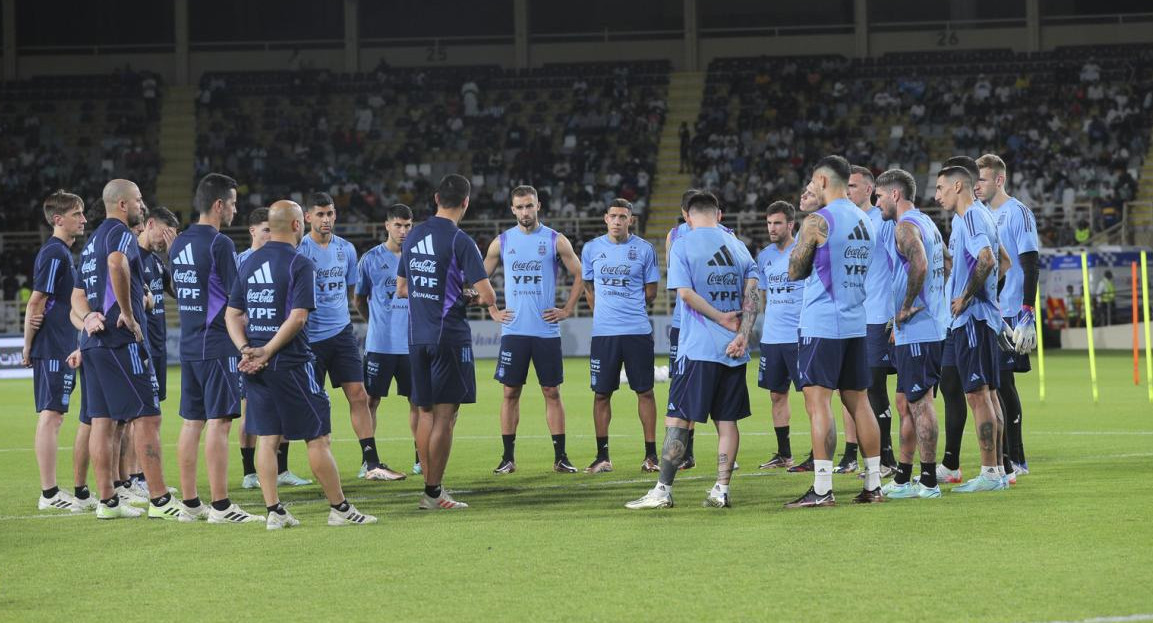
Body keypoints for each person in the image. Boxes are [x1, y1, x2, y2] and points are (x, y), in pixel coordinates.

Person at [225, 200, 376, 529]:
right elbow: (299, 317)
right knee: (317, 438)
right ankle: (340, 509)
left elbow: (232, 314)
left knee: (268, 437)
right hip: (291, 363)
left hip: (257, 365)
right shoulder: (299, 262)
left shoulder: (248, 263)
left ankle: (274, 512)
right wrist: (267, 351)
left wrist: (246, 349)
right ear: (297, 225)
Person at [625, 191, 759, 510]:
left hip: (698, 349)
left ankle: (662, 491)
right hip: (733, 351)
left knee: (678, 419)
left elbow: (685, 294)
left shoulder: (683, 244)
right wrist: (742, 333)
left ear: (687, 215)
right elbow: (752, 296)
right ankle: (721, 490)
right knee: (727, 422)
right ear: (719, 215)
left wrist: (720, 318)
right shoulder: (739, 246)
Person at [78, 179, 183, 520]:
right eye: (138, 200)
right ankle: (160, 500)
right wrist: (126, 312)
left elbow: (77, 293)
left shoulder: (91, 241)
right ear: (123, 204)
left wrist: (87, 317)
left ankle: (107, 501)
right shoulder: (120, 233)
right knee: (148, 416)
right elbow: (117, 263)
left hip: (93, 341)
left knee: (103, 421)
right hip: (120, 339)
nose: (142, 205)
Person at [784, 155, 885, 508]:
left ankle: (823, 489)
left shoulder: (818, 220)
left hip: (822, 322)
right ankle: (873, 485)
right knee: (859, 401)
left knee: (818, 403)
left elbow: (795, 270)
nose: (810, 188)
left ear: (824, 182)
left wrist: (804, 249)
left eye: (813, 181)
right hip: (856, 321)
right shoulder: (865, 220)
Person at [396, 174, 496, 510]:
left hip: (416, 337)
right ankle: (433, 492)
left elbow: (402, 287)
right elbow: (486, 294)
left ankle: (430, 488)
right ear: (466, 202)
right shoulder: (460, 240)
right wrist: (464, 293)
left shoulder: (413, 236)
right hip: (447, 337)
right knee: (445, 417)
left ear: (436, 198)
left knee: (424, 414)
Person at [169, 173, 261, 523]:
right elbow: (236, 300)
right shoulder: (219, 244)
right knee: (220, 423)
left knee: (192, 423)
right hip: (219, 345)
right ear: (219, 205)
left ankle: (191, 505)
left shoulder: (178, 243)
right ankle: (222, 506)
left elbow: (183, 291)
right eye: (234, 203)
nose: (236, 211)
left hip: (190, 346)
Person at [484, 185, 583, 474]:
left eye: (529, 206)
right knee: (510, 393)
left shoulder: (555, 240)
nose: (525, 212)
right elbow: (478, 278)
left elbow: (579, 274)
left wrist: (567, 309)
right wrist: (492, 309)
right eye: (520, 207)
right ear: (512, 209)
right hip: (514, 330)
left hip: (545, 331)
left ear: (538, 205)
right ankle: (507, 458)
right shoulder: (502, 242)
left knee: (552, 391)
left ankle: (561, 457)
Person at [875, 168, 949, 499]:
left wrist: (906, 306)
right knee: (907, 402)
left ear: (894, 195)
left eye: (878, 196)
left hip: (919, 329)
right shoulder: (928, 222)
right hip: (921, 328)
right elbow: (945, 263)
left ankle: (929, 481)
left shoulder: (905, 227)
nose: (876, 203)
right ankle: (904, 478)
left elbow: (919, 264)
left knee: (921, 404)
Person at [936, 166, 1006, 492]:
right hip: (982, 317)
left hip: (973, 320)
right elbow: (1004, 261)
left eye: (941, 188)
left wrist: (965, 296)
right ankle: (999, 470)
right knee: (988, 395)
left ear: (958, 185)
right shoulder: (983, 216)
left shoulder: (971, 218)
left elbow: (989, 260)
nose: (937, 196)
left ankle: (990, 473)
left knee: (978, 397)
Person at [297, 192, 377, 478]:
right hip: (310, 339)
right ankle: (288, 467)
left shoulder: (347, 249)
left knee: (358, 394)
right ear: (307, 217)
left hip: (341, 333)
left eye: (330, 213)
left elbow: (353, 293)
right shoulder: (300, 251)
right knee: (309, 400)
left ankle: (371, 461)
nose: (326, 219)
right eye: (320, 214)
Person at [580, 199, 660, 473]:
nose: (617, 221)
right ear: (605, 218)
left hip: (637, 331)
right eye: (613, 216)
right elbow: (588, 288)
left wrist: (627, 307)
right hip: (604, 334)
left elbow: (651, 292)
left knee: (645, 392)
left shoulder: (644, 249)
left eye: (622, 217)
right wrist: (603, 314)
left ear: (631, 220)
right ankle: (602, 456)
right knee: (601, 394)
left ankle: (651, 456)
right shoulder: (591, 249)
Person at [236, 208, 311, 489]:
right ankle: (248, 471)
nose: (270, 234)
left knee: (279, 416)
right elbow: (236, 310)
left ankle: (281, 471)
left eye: (272, 228)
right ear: (253, 231)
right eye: (265, 229)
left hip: (265, 347)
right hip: (253, 348)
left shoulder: (285, 260)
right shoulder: (244, 261)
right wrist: (248, 347)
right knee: (252, 414)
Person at [976, 154, 1040, 475]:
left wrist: (1028, 312)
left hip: (1013, 312)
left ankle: (1016, 457)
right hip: (990, 312)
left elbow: (1030, 263)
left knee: (1003, 383)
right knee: (991, 384)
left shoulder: (1018, 213)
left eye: (982, 180)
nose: (977, 186)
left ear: (999, 180)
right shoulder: (982, 215)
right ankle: (1004, 457)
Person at [25, 190, 87, 512]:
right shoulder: (55, 253)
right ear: (58, 219)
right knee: (51, 417)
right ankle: (49, 494)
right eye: (77, 214)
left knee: (55, 416)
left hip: (61, 343)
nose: (84, 219)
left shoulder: (63, 253)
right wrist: (27, 344)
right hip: (51, 346)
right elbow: (37, 301)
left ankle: (51, 492)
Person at [354, 203, 416, 480]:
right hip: (380, 344)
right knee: (371, 400)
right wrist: (376, 322)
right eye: (398, 225)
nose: (403, 231)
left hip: (412, 343)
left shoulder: (418, 258)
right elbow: (358, 299)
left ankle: (421, 458)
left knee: (418, 402)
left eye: (407, 226)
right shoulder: (370, 259)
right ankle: (368, 459)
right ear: (387, 226)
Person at [846, 165, 898, 475]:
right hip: (859, 317)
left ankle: (888, 459)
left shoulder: (883, 221)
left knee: (877, 388)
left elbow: (899, 264)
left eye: (853, 186)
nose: (848, 190)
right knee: (864, 388)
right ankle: (881, 458)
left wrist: (897, 311)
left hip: (882, 314)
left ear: (869, 189)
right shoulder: (851, 222)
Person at [754, 200, 804, 470]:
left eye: (777, 223)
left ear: (790, 225)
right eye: (769, 223)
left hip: (799, 336)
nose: (772, 228)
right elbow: (763, 296)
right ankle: (784, 454)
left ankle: (817, 452)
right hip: (773, 338)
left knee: (812, 395)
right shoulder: (764, 257)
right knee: (776, 394)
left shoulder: (805, 252)